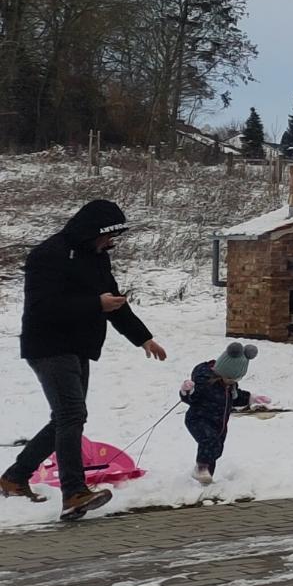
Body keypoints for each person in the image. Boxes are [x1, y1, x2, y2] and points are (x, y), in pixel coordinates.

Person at [2, 200, 169, 522]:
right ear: (92, 232)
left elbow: (114, 303)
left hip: (78, 346)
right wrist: (96, 304)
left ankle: (15, 477)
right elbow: (43, 307)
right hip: (48, 345)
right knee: (72, 414)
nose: (111, 244)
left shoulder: (97, 257)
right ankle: (73, 493)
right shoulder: (47, 255)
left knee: (65, 419)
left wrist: (143, 338)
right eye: (108, 237)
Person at [179, 342, 256, 485]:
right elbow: (191, 399)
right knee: (209, 441)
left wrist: (251, 398)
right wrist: (187, 391)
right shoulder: (204, 381)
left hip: (218, 424)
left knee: (215, 451)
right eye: (230, 378)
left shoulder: (230, 385)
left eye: (235, 380)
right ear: (221, 371)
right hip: (198, 419)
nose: (232, 382)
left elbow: (236, 397)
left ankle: (205, 481)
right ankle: (201, 468)